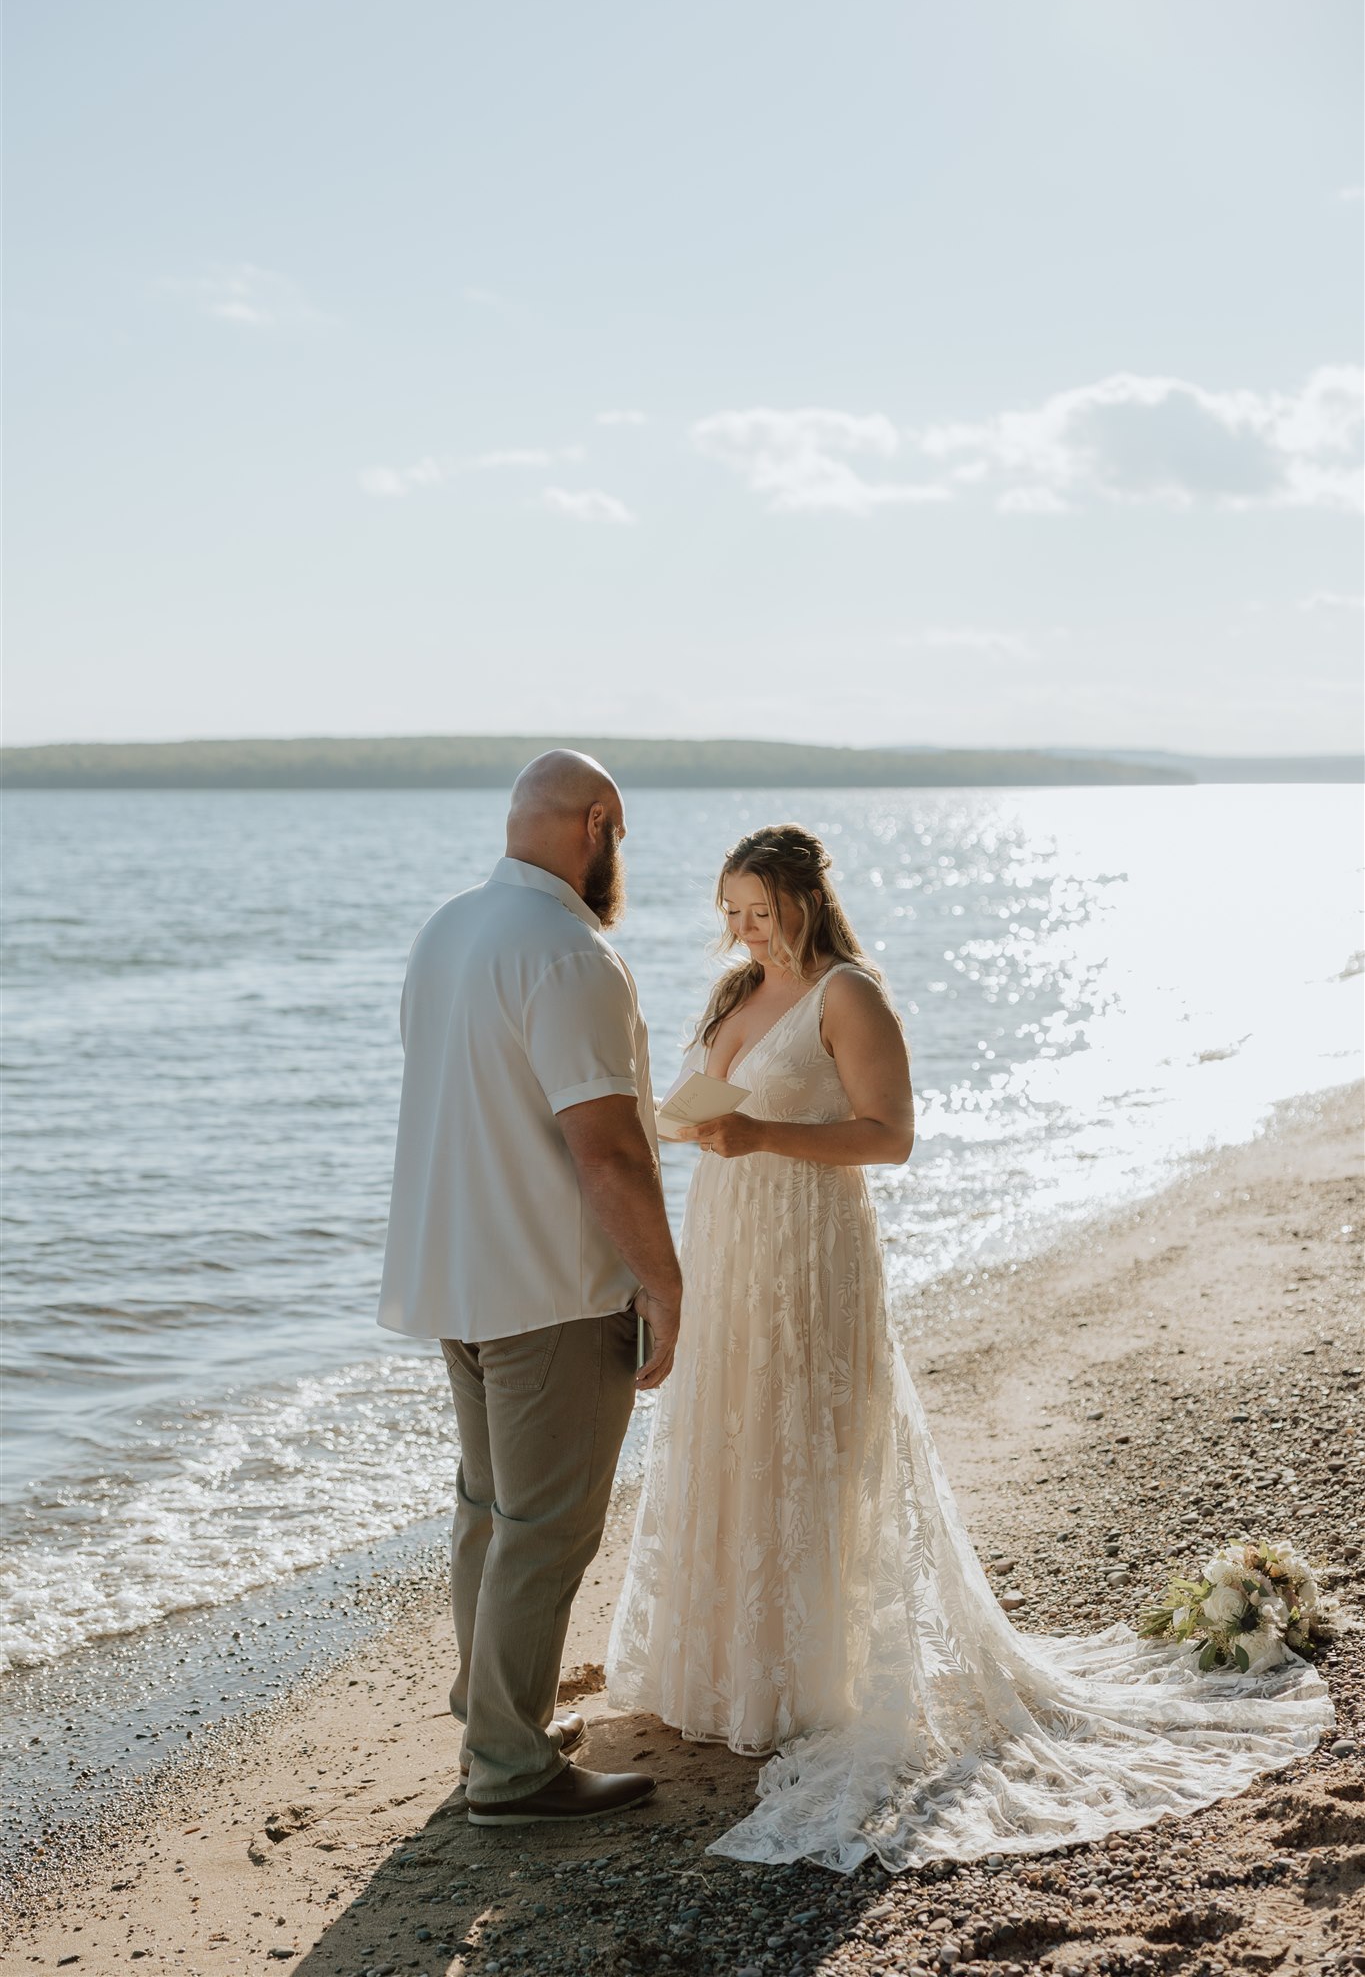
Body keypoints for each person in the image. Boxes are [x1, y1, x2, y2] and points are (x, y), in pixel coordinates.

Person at [606, 823, 1333, 1873]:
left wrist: (761, 1135)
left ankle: (804, 1678)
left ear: (805, 901)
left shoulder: (848, 992)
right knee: (733, 1433)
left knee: (808, 1438)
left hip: (811, 1248)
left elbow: (889, 1133)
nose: (742, 931)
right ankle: (726, 1668)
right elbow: (710, 1105)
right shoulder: (734, 993)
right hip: (733, 1239)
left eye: (758, 912)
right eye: (730, 913)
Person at [378, 750, 683, 1826]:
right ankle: (508, 1767)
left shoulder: (447, 929)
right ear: (596, 821)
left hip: (452, 1272)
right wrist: (665, 1278)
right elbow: (606, 1148)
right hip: (550, 1285)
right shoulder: (569, 952)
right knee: (546, 1526)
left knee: (489, 1513)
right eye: (623, 836)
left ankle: (490, 1716)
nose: (621, 859)